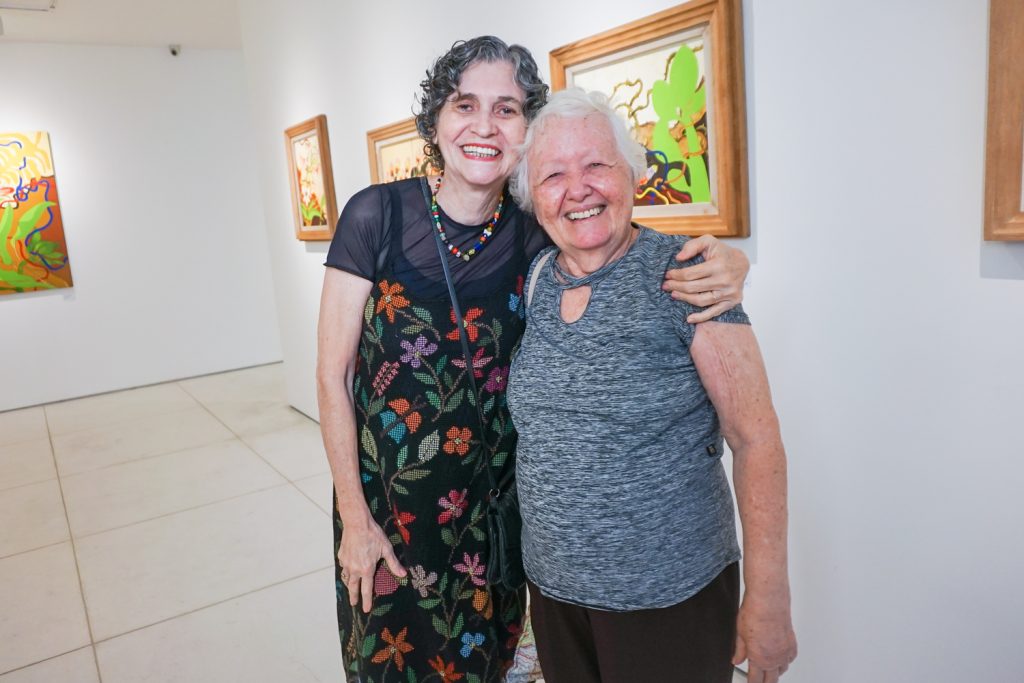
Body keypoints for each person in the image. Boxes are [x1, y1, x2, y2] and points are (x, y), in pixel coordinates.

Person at [317, 38, 751, 683]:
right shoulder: (375, 216)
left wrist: (730, 261)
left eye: (509, 109)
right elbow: (333, 375)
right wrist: (355, 519)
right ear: (437, 117)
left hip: (502, 518)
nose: (485, 126)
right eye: (465, 105)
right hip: (394, 513)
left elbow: (618, 225)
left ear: (528, 132)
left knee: (494, 664)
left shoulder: (533, 229)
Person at [506, 87, 798, 683]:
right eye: (554, 175)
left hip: (671, 597)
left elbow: (756, 440)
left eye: (595, 165)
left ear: (633, 174)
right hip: (557, 595)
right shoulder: (536, 280)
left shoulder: (685, 274)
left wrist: (769, 600)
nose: (577, 189)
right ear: (533, 200)